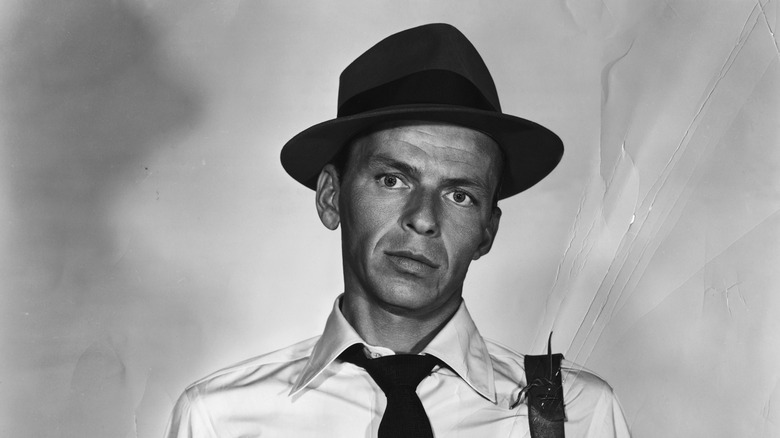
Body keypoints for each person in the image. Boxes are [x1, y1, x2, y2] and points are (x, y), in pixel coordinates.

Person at [165, 23, 631, 437]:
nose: (424, 219)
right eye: (392, 179)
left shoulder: (573, 416)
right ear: (331, 197)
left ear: (487, 231)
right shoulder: (220, 419)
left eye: (459, 195)